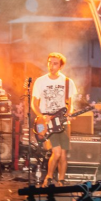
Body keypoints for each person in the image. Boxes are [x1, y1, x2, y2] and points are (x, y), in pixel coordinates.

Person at [31, 52, 77, 185]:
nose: (51, 66)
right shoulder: (40, 81)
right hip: (47, 122)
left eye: (55, 63)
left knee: (63, 154)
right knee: (56, 152)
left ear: (61, 66)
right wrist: (41, 116)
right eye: (50, 62)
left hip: (62, 121)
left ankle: (61, 181)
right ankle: (48, 178)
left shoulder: (68, 82)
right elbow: (34, 103)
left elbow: (70, 103)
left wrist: (69, 113)